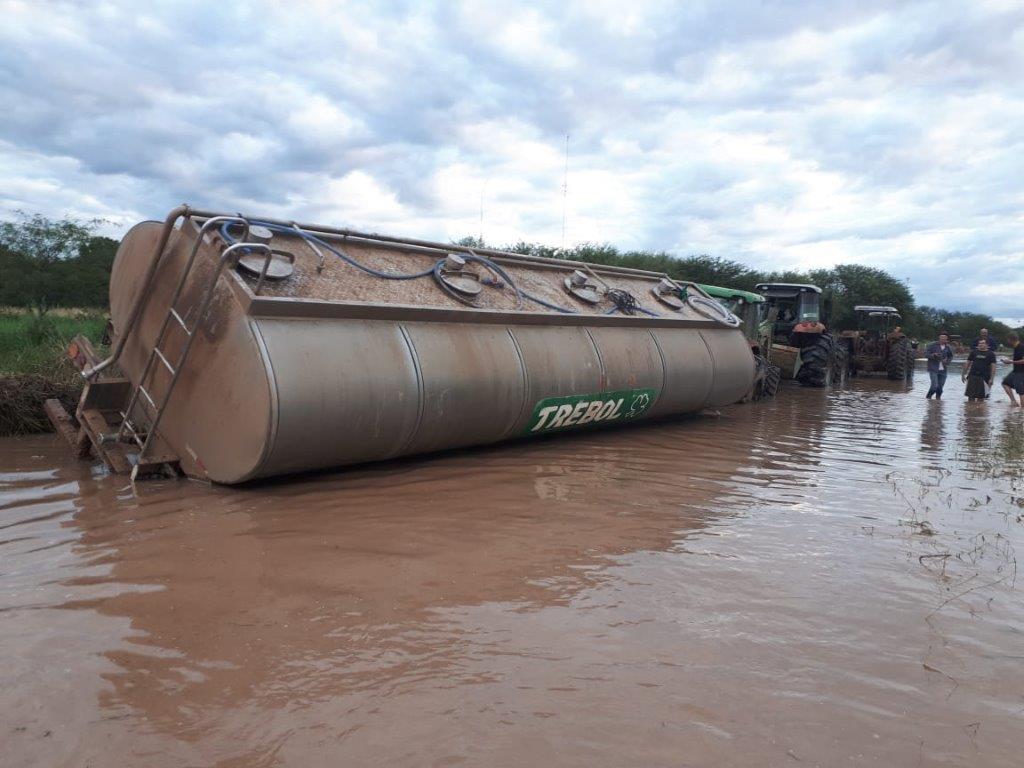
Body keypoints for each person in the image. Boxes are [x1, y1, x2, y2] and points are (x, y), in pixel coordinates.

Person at [924, 332, 954, 399]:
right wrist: (933, 355)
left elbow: (951, 356)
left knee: (940, 388)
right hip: (933, 368)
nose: (943, 339)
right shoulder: (932, 345)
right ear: (939, 338)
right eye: (941, 338)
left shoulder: (948, 347)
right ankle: (928, 398)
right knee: (934, 386)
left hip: (943, 369)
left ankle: (938, 402)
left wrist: (947, 361)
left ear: (946, 339)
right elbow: (926, 354)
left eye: (944, 338)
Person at [1000, 332, 1024, 407]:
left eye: (1008, 340)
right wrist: (1009, 358)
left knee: (1021, 392)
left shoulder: (1021, 347)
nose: (1007, 341)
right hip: (1016, 371)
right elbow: (1018, 357)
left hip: (1021, 372)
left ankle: (1022, 412)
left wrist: (1011, 361)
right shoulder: (1016, 347)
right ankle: (1014, 401)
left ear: (1010, 339)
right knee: (1005, 383)